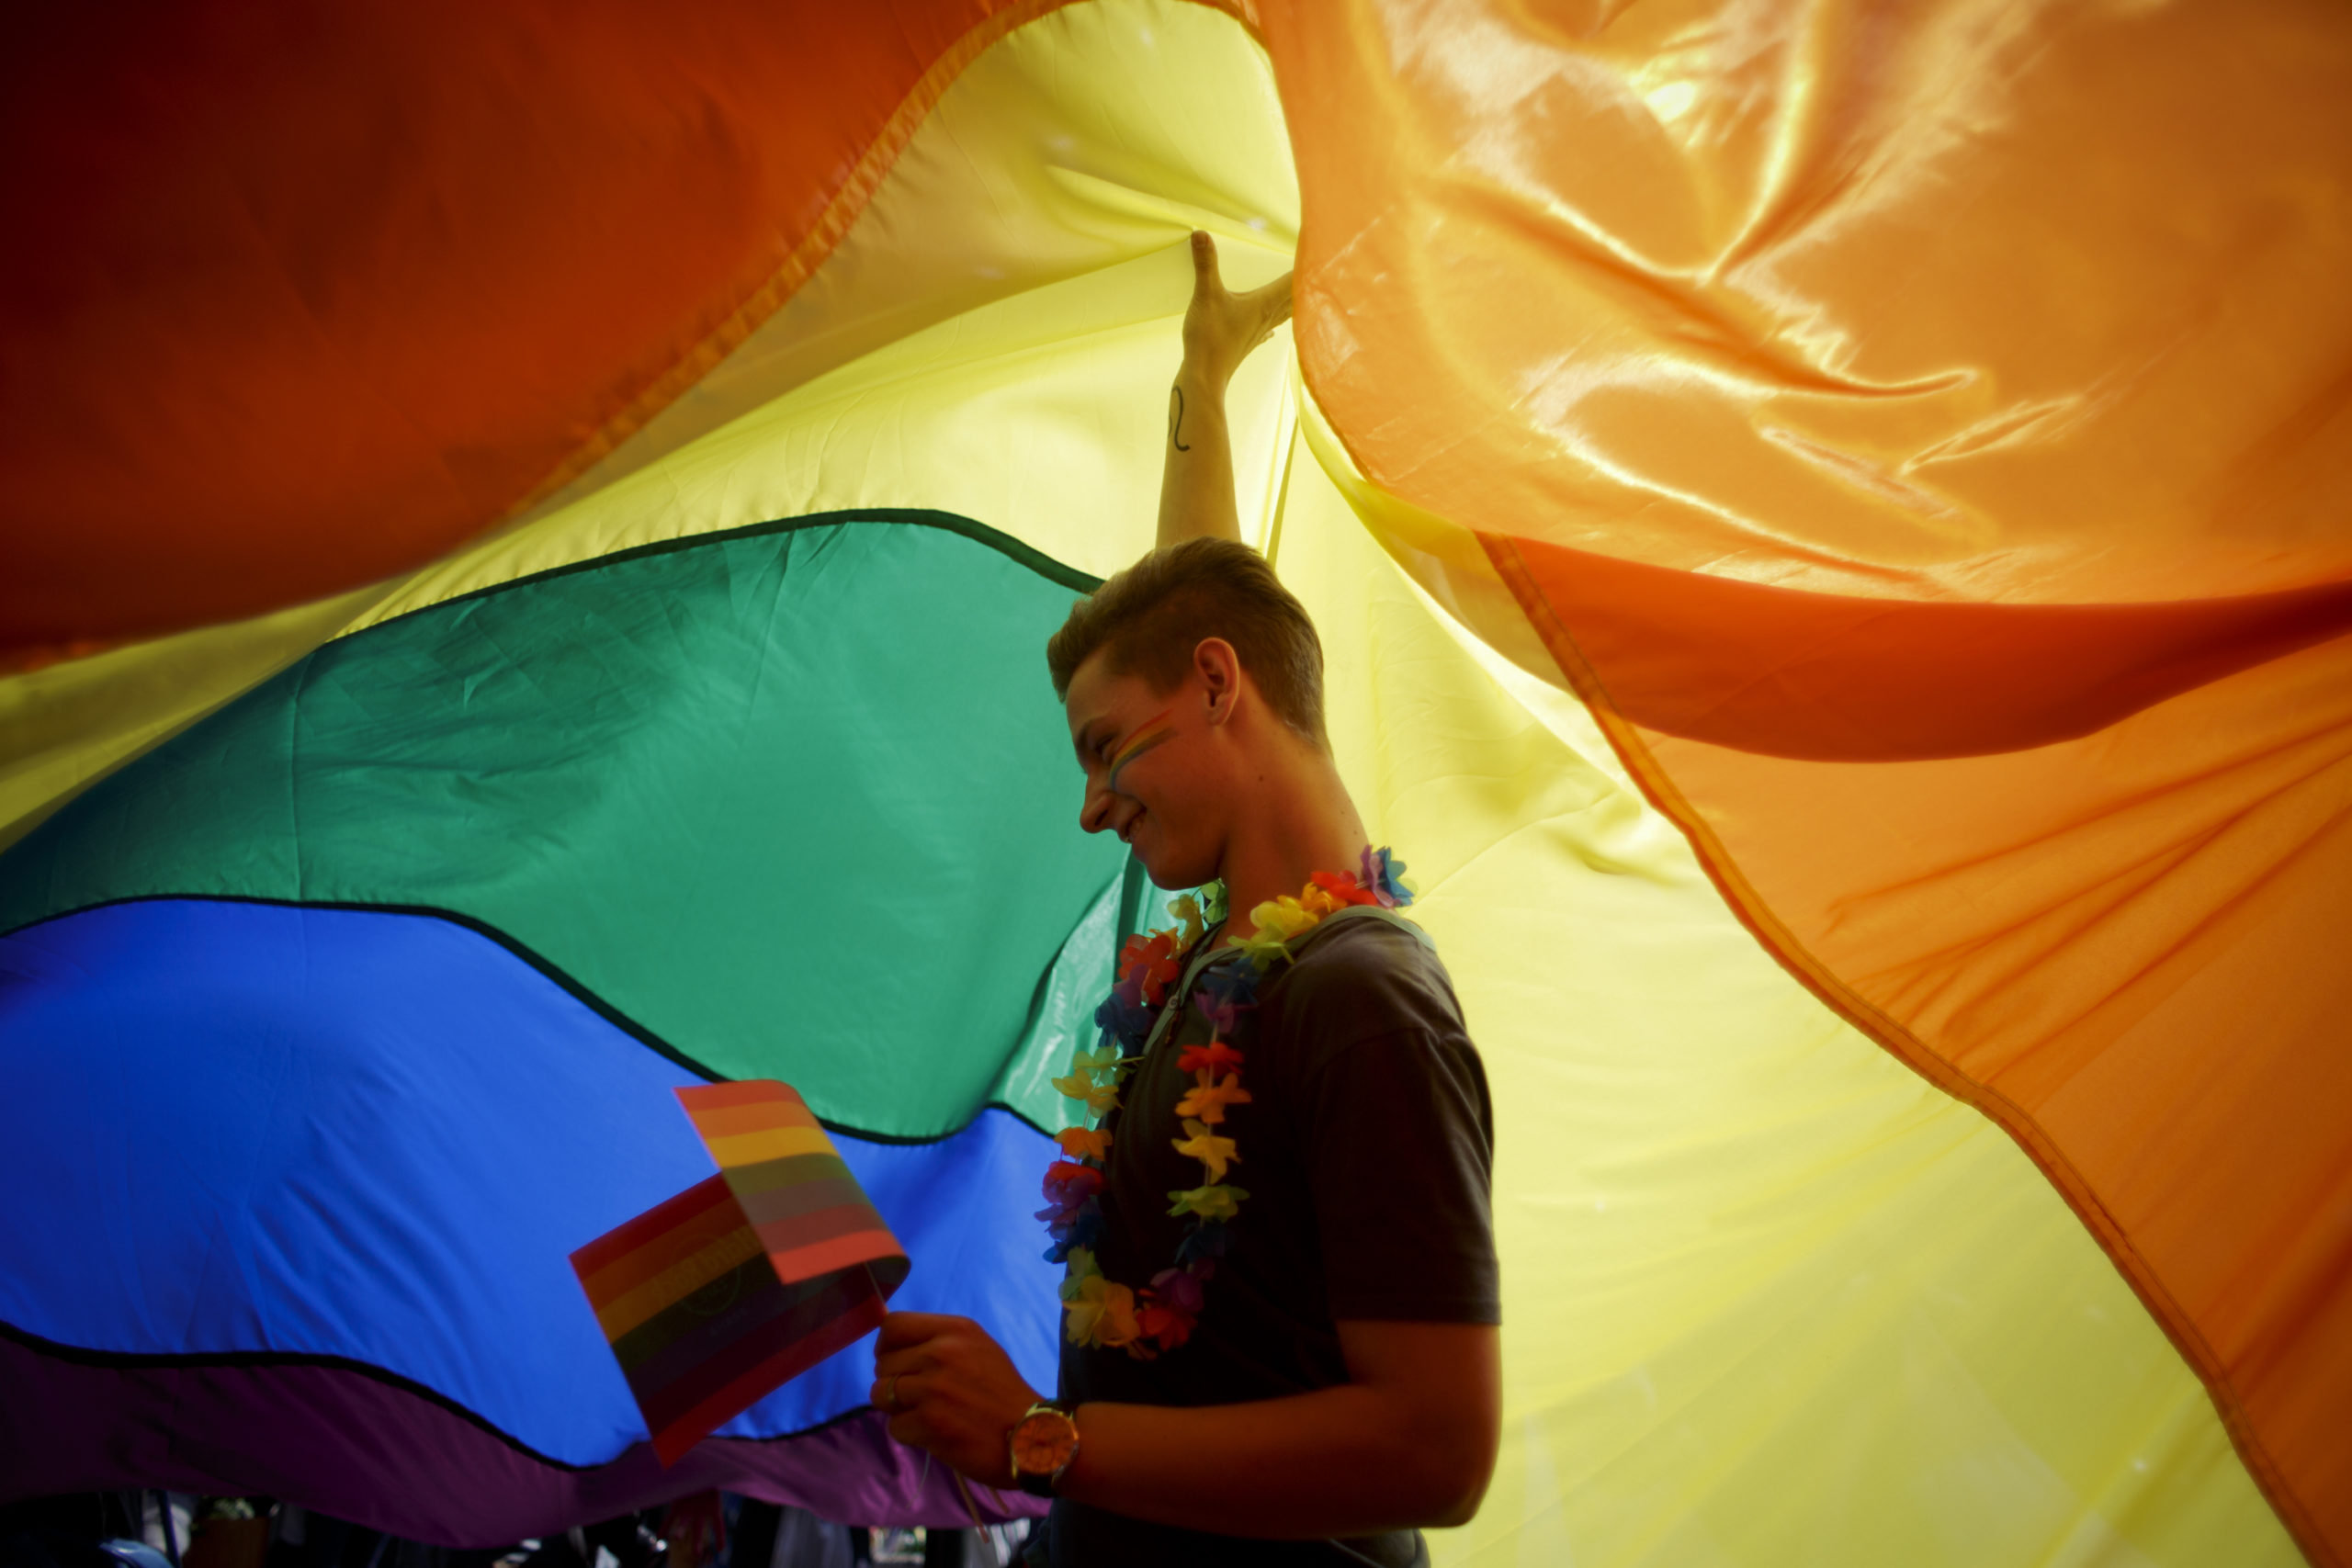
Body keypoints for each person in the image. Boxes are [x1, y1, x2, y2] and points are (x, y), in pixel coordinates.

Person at [869, 232, 1501, 1566]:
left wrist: (1041, 1440)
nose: (1092, 805)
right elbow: (1202, 587)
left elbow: (1440, 1451)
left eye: (1105, 749)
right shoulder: (1219, 966)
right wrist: (1202, 379)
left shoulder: (1359, 995)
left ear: (1219, 687)